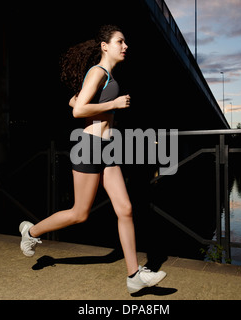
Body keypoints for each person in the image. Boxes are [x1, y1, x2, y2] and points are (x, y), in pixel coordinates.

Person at [19, 25, 166, 294]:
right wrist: (114, 104)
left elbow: (75, 102)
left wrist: (84, 103)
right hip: (89, 146)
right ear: (104, 46)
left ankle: (134, 275)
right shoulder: (98, 72)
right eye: (120, 41)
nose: (125, 46)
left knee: (125, 208)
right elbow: (79, 112)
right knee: (80, 213)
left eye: (125, 42)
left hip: (108, 147)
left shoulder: (105, 75)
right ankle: (31, 233)